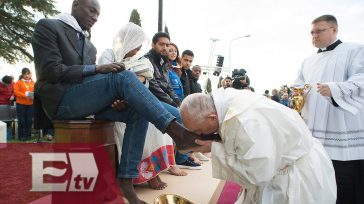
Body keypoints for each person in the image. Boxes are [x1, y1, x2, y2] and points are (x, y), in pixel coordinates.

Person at [31, 1, 212, 203]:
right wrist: (97, 69)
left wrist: (114, 100)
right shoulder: (48, 26)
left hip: (84, 101)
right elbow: (50, 71)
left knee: (137, 110)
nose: (95, 17)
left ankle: (126, 181)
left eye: (98, 14)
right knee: (123, 76)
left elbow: (92, 86)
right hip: (60, 101)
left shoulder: (89, 45)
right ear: (76, 5)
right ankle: (178, 133)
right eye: (92, 10)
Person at [179, 89, 337, 204]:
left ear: (212, 117)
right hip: (281, 162)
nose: (200, 135)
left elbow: (257, 174)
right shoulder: (225, 101)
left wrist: (214, 148)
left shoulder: (244, 122)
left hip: (295, 177)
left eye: (199, 130)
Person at [98, 22, 185, 190]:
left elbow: (142, 84)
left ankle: (154, 172)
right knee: (146, 122)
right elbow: (106, 82)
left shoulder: (136, 61)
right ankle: (142, 175)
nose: (138, 49)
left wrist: (140, 81)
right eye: (136, 45)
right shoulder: (108, 55)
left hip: (130, 102)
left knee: (158, 126)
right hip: (113, 106)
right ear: (128, 41)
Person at [294, 14, 364, 204]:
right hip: (314, 126)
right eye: (311, 32)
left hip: (341, 126)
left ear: (334, 30)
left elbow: (361, 79)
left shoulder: (355, 50)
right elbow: (298, 86)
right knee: (317, 174)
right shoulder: (307, 61)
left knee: (343, 178)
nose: (314, 36)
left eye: (319, 31)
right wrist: (297, 95)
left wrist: (335, 89)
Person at [13, 68, 34, 141]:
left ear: (30, 74)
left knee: (29, 120)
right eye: (25, 74)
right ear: (22, 74)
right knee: (22, 120)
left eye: (28, 74)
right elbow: (16, 92)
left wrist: (34, 96)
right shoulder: (18, 82)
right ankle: (22, 136)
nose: (27, 75)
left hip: (30, 104)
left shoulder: (32, 83)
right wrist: (25, 95)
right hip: (21, 104)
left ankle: (28, 135)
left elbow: (35, 91)